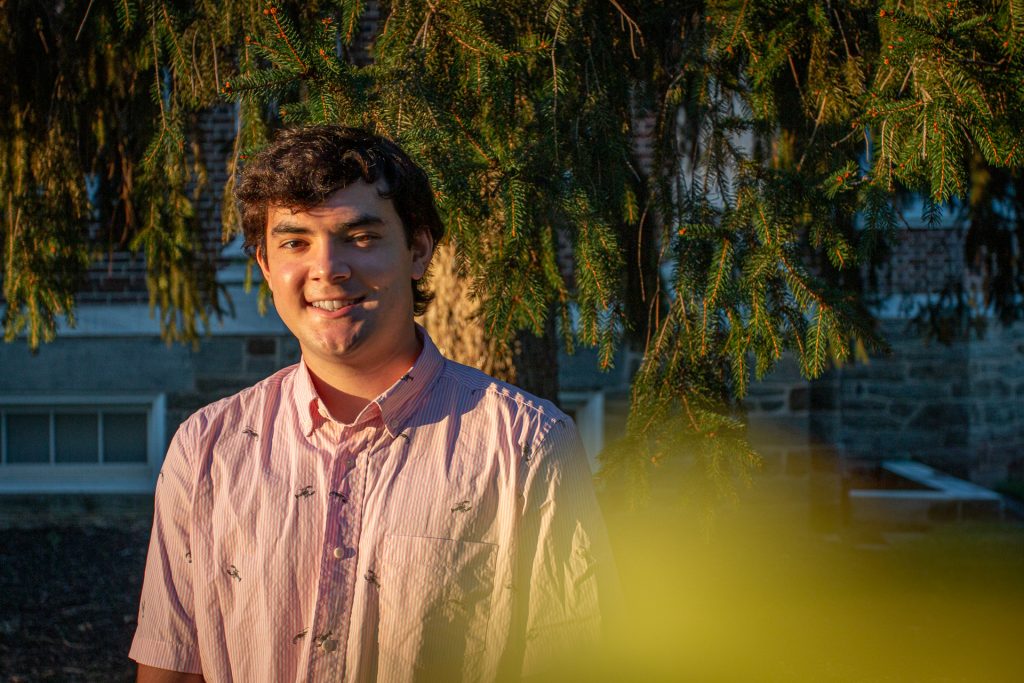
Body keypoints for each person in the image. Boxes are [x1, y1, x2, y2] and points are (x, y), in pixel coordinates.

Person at [129, 125, 618, 682]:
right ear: (266, 266)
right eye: (295, 242)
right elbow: (170, 668)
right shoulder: (205, 450)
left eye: (360, 237)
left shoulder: (527, 447)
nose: (328, 267)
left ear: (418, 250)